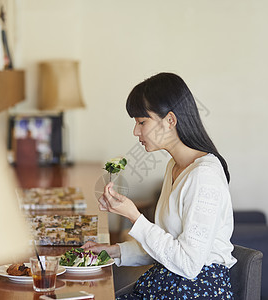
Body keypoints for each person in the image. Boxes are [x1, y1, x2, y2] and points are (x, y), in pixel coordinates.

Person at [82, 72, 236, 299]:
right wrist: (113, 251)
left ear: (170, 120)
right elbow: (166, 245)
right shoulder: (175, 166)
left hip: (197, 289)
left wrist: (135, 217)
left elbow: (188, 264)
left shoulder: (205, 176)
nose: (136, 131)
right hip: (170, 281)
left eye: (142, 122)